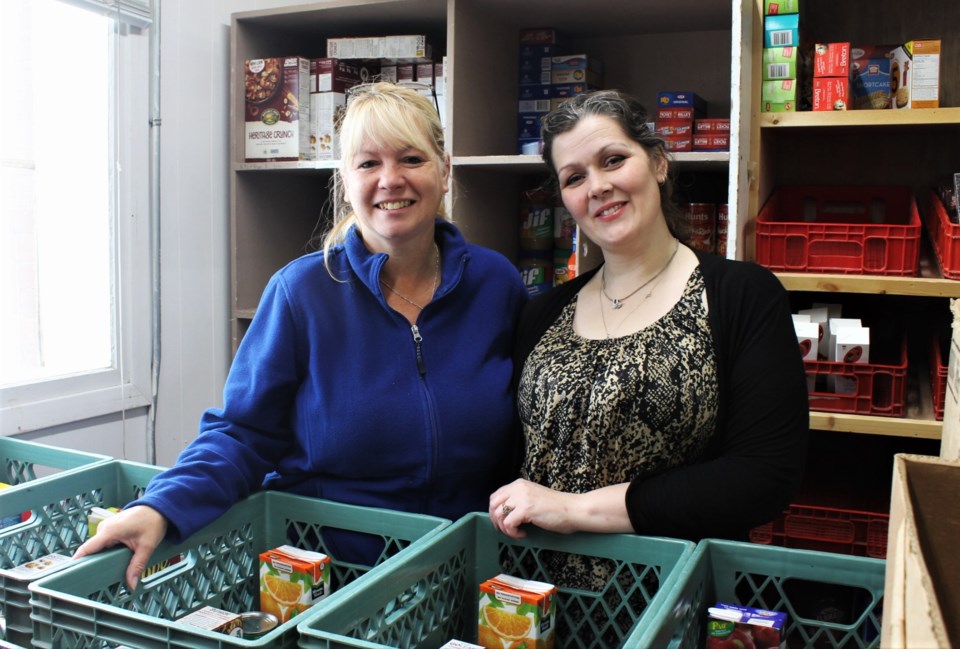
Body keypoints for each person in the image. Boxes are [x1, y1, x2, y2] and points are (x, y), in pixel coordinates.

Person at [76, 82, 528, 590]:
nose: (391, 179)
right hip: (328, 576)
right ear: (344, 180)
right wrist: (161, 506)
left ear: (444, 171)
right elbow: (243, 433)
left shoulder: (496, 284)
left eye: (410, 158)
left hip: (466, 570)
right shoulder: (302, 292)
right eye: (367, 163)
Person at [489, 90, 809, 580]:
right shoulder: (543, 314)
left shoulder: (741, 297)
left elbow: (762, 476)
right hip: (530, 600)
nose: (597, 186)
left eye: (613, 160)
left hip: (665, 598)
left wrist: (575, 511)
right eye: (574, 178)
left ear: (658, 163)